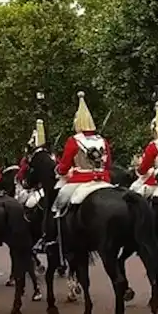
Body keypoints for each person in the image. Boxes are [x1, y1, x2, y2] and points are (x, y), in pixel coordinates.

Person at [50, 92, 112, 232]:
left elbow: (64, 166)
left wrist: (60, 171)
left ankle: (56, 235)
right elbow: (108, 164)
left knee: (59, 205)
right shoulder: (102, 140)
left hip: (80, 180)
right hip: (103, 179)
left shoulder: (74, 140)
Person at [132, 101, 158, 198]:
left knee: (133, 195)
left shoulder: (153, 146)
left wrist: (138, 167)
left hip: (156, 182)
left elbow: (143, 169)